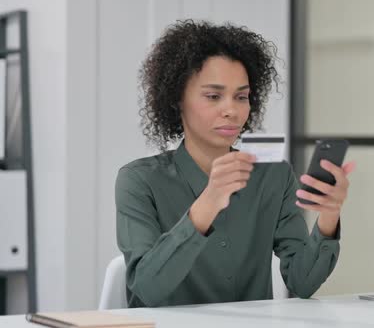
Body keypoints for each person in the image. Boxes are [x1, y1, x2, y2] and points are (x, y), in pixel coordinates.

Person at [115, 20, 355, 308]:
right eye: (214, 96)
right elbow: (148, 289)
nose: (231, 110)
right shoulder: (139, 181)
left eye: (241, 97)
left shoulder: (273, 176)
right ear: (178, 100)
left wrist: (329, 216)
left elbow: (302, 283)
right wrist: (210, 201)